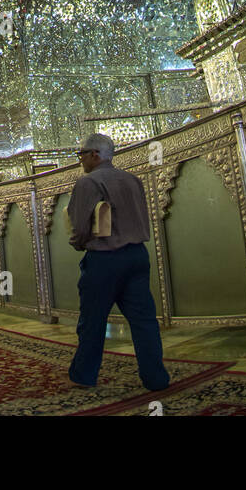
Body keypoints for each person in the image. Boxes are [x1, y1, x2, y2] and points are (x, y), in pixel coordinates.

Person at [66, 133, 170, 392]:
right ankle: (156, 379)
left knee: (93, 321)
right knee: (144, 321)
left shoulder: (88, 183)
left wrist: (79, 244)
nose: (80, 159)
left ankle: (84, 375)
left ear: (95, 155)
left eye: (81, 154)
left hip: (104, 261)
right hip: (137, 257)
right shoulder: (133, 180)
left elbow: (79, 227)